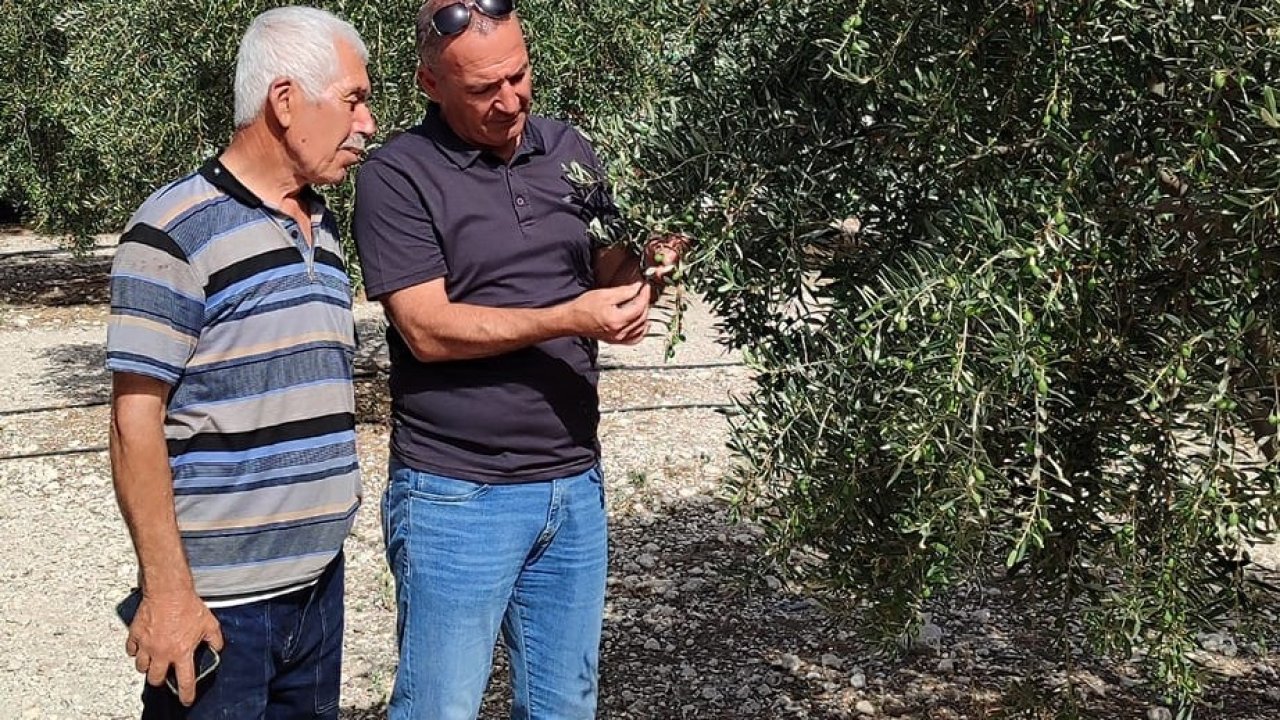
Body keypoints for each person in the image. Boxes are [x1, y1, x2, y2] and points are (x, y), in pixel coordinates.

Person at [351, 1, 686, 718]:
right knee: (439, 707)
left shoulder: (571, 149)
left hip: (572, 483)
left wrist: (650, 267)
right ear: (430, 84)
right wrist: (571, 317)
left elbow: (609, 274)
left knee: (565, 705)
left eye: (518, 76)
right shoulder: (396, 177)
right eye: (482, 89)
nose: (508, 101)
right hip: (455, 494)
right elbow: (426, 328)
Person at [105, 6, 376, 718]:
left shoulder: (324, 226)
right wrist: (167, 595)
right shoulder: (173, 230)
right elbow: (135, 421)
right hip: (220, 611)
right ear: (285, 103)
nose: (368, 123)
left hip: (318, 588)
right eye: (354, 99)